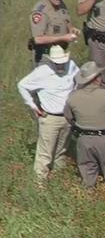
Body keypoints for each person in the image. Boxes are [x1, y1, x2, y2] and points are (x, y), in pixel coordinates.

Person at [17, 45, 79, 183]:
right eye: (57, 63)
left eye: (62, 62)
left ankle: (59, 180)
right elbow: (22, 85)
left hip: (68, 117)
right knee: (45, 154)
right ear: (51, 62)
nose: (61, 66)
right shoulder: (42, 72)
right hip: (50, 118)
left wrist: (74, 96)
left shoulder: (72, 66)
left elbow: (79, 80)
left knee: (61, 151)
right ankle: (40, 185)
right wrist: (33, 105)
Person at [64, 61, 105, 189]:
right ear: (96, 78)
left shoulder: (72, 97)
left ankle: (88, 200)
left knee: (87, 173)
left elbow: (69, 117)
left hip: (83, 139)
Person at [29, 0, 80, 65]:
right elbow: (38, 39)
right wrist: (63, 38)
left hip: (60, 53)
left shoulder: (61, 4)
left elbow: (67, 22)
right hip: (45, 56)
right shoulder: (40, 11)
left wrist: (72, 30)